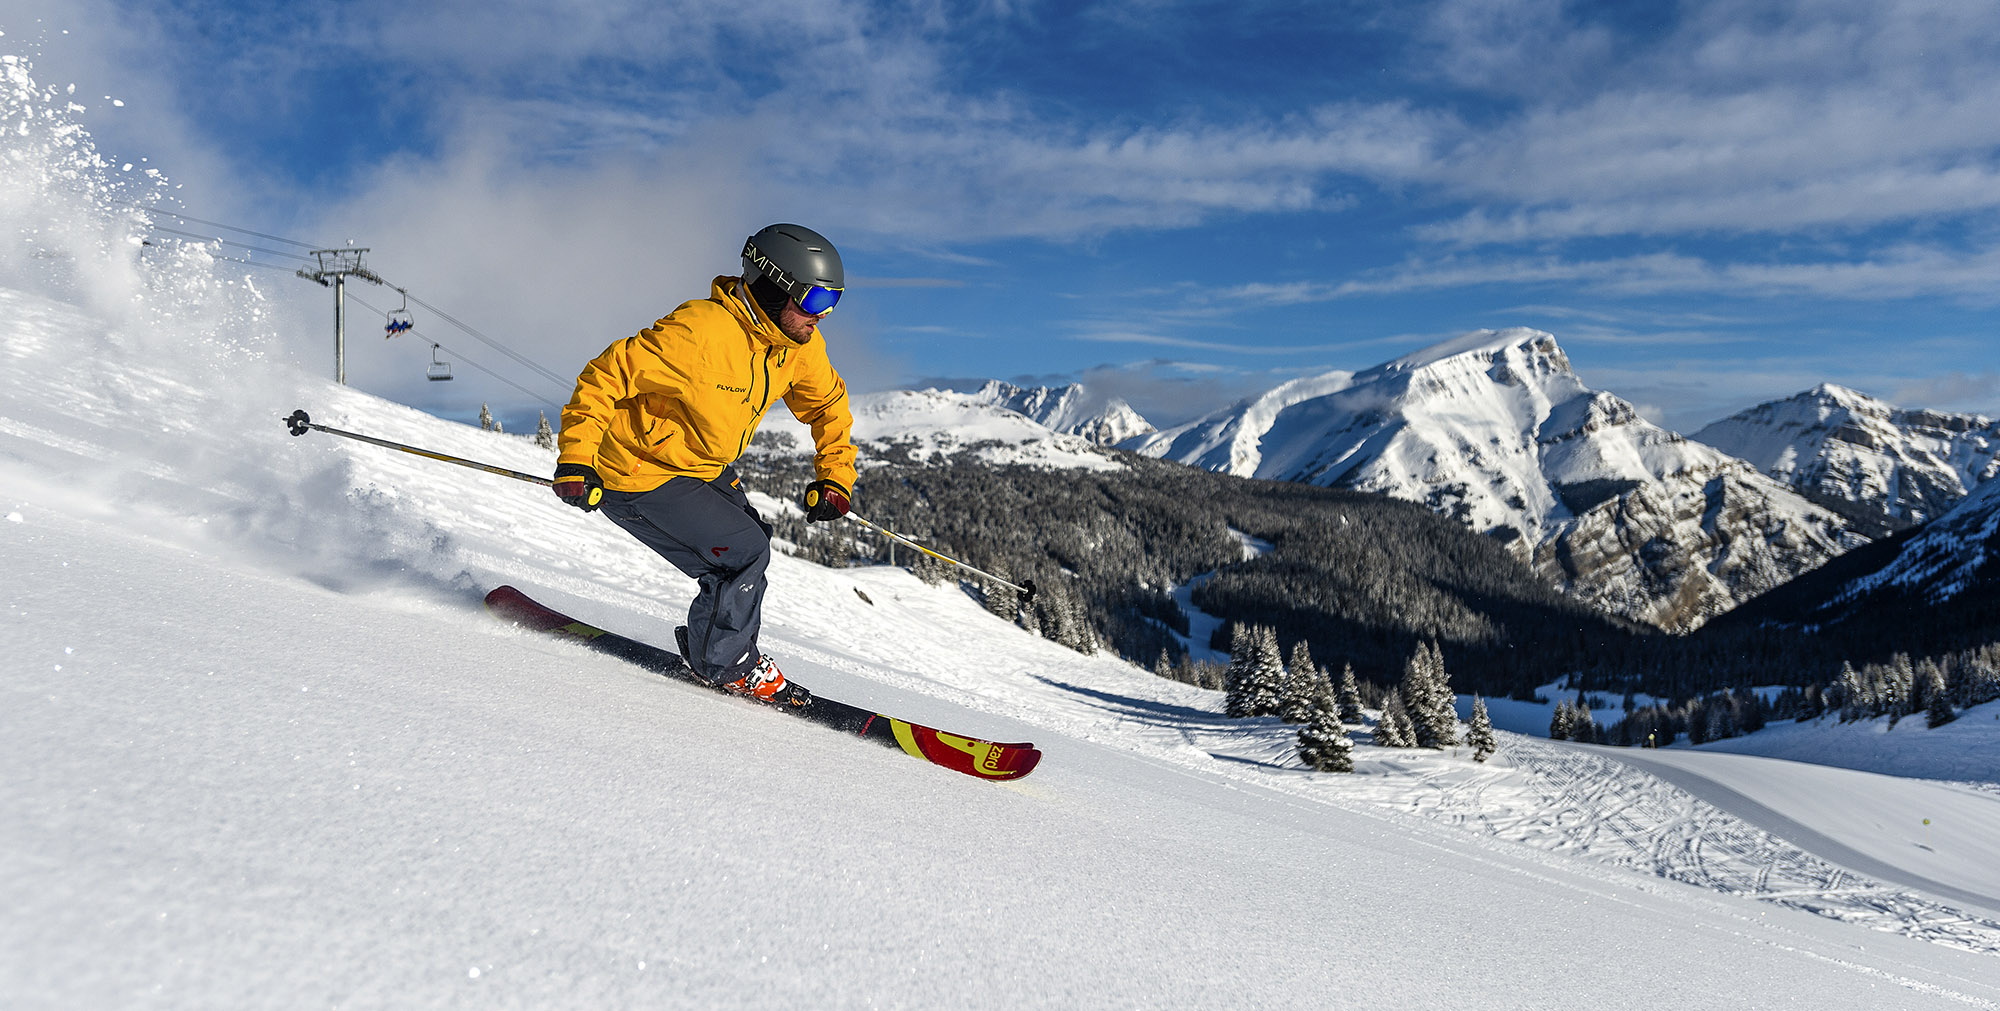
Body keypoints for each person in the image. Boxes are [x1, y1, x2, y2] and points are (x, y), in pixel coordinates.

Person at [551, 223, 857, 706]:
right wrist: (576, 457)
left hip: (699, 465)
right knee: (743, 553)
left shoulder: (796, 346)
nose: (823, 316)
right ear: (775, 287)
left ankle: (712, 647)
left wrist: (835, 474)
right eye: (816, 300)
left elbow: (829, 406)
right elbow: (608, 374)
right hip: (637, 470)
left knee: (747, 540)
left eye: (834, 301)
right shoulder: (700, 331)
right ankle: (724, 663)